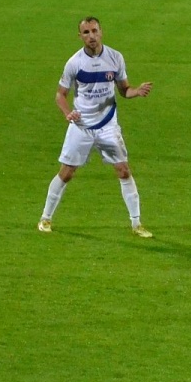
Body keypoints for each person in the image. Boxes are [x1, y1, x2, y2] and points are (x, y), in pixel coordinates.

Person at [37, 17, 153, 238]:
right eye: (86, 32)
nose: (91, 36)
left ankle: (137, 224)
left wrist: (136, 91)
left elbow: (124, 90)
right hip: (81, 126)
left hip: (108, 125)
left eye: (94, 31)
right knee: (67, 173)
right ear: (80, 36)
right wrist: (67, 113)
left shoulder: (115, 58)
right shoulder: (75, 63)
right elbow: (60, 95)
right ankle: (45, 218)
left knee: (123, 170)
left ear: (101, 32)